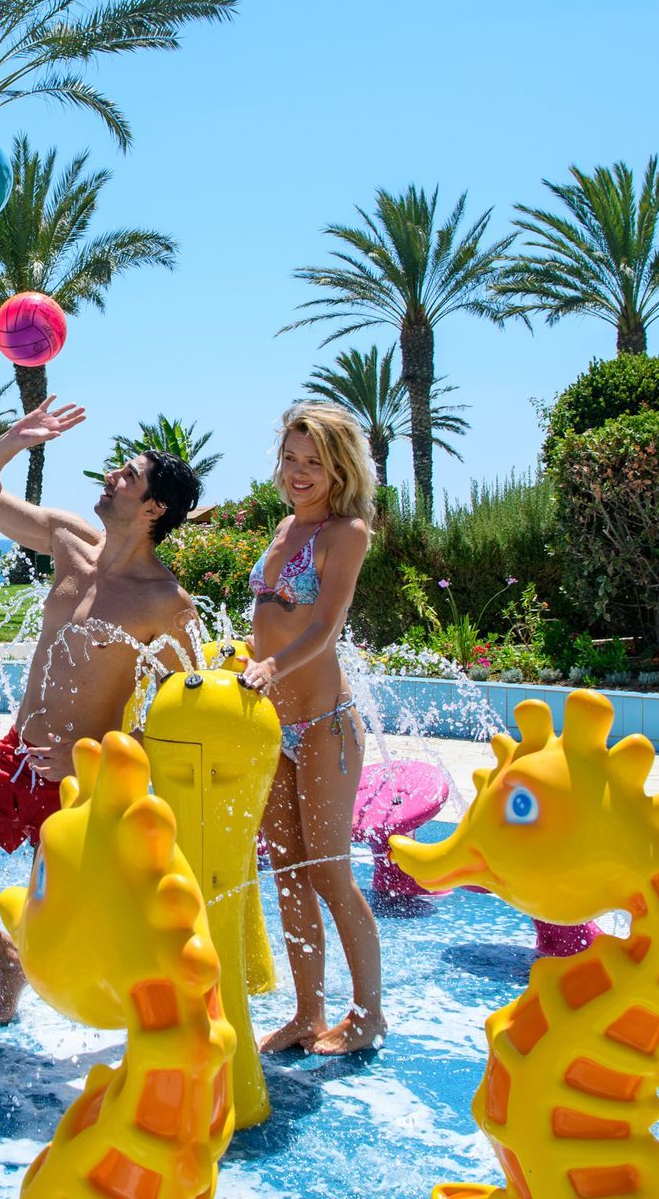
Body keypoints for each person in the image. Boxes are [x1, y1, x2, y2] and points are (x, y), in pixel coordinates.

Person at [0, 397, 202, 1025]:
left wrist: (116, 758)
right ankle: (6, 958)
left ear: (155, 508)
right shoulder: (69, 543)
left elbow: (182, 708)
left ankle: (160, 1038)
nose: (113, 476)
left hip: (86, 793)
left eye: (129, 476)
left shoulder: (166, 603)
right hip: (15, 763)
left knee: (107, 936)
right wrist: (16, 438)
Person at [241, 402, 384, 1055]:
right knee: (288, 874)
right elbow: (268, 620)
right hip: (274, 728)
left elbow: (324, 626)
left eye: (314, 462)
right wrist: (244, 660)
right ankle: (307, 1013)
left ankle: (368, 1014)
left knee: (330, 873)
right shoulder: (283, 528)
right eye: (292, 459)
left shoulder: (344, 533)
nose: (300, 473)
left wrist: (270, 664)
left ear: (339, 467)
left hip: (324, 728)